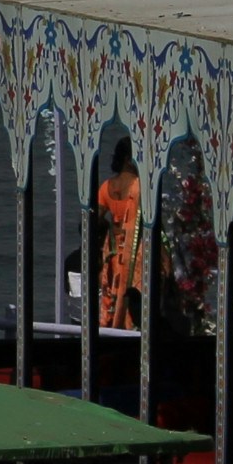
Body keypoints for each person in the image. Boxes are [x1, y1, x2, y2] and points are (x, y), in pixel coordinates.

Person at [95, 138, 142, 331]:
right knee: (135, 299)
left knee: (112, 298)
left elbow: (94, 219)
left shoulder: (106, 187)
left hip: (113, 254)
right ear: (130, 159)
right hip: (136, 252)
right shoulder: (140, 185)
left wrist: (111, 228)